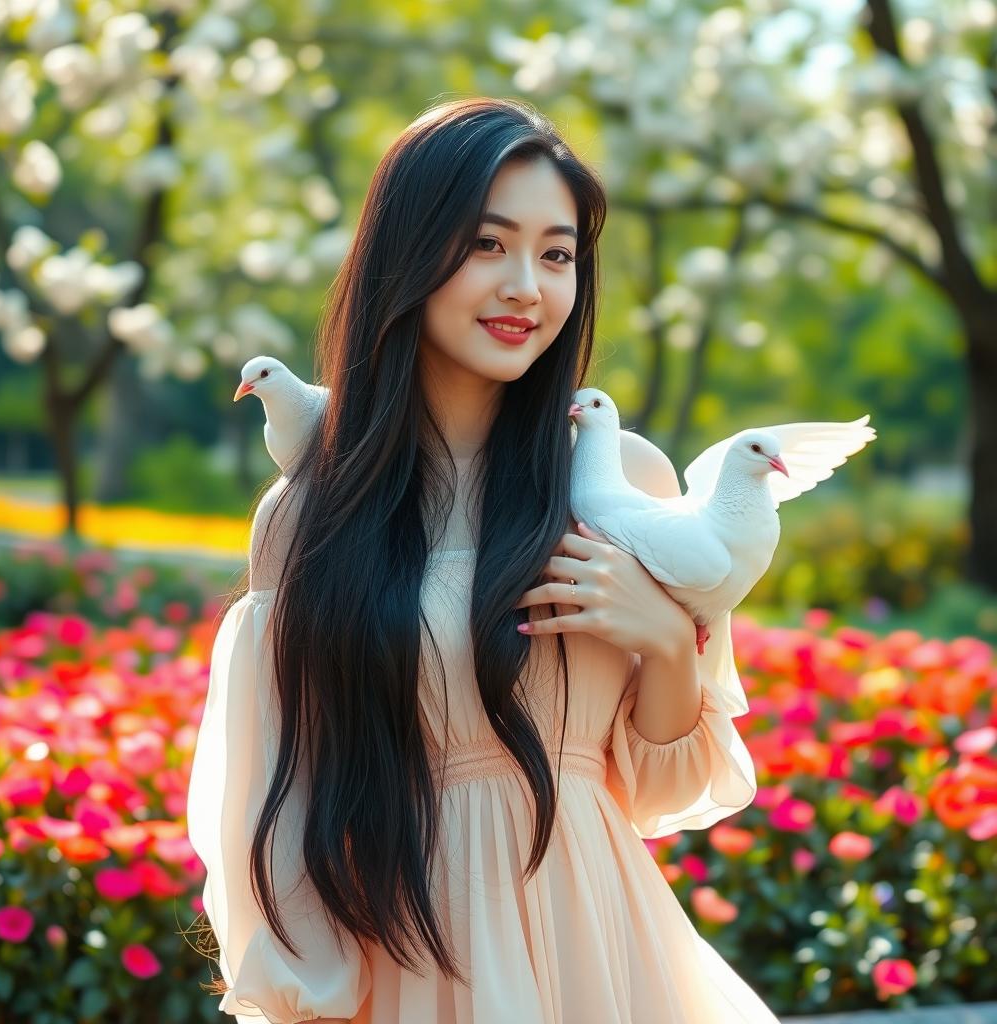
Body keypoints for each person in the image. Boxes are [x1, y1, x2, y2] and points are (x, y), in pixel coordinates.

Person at [186, 96, 781, 1024]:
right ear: (409, 255)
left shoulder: (619, 478)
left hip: (603, 955)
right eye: (486, 245)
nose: (526, 288)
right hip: (411, 963)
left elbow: (666, 786)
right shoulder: (308, 518)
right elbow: (287, 803)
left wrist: (667, 641)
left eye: (556, 255)